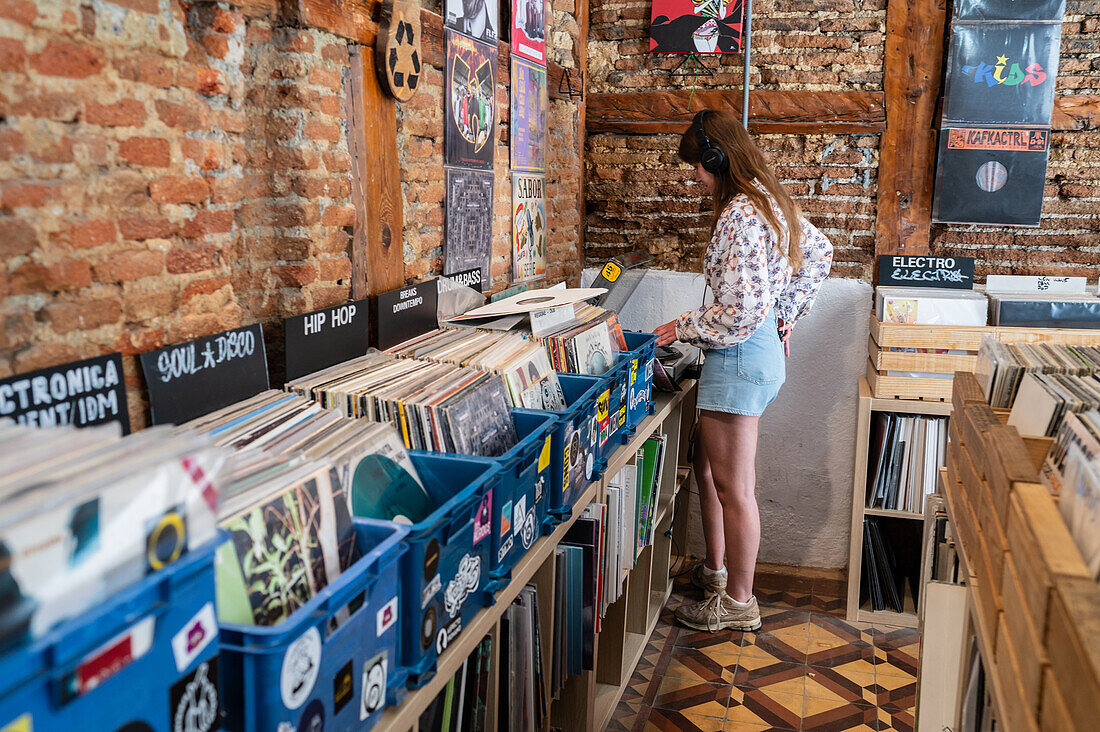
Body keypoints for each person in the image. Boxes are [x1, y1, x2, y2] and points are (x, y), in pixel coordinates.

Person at [653, 109, 833, 632]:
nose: (695, 177)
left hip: (738, 358)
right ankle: (715, 572)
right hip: (752, 356)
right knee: (709, 474)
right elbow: (819, 254)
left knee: (736, 490)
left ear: (717, 157)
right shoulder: (769, 201)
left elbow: (738, 313)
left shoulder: (740, 213)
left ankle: (738, 602)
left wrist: (680, 326)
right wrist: (788, 316)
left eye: (698, 167)